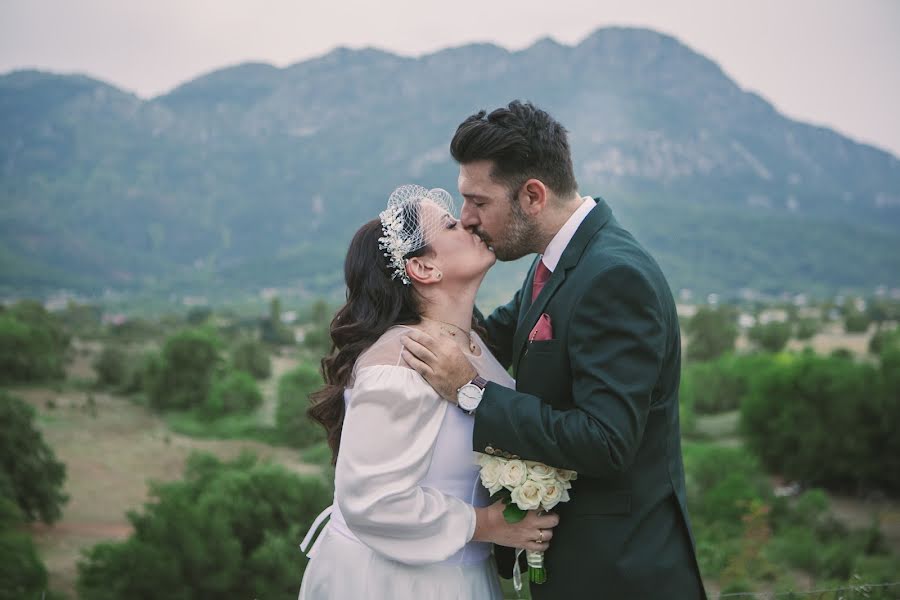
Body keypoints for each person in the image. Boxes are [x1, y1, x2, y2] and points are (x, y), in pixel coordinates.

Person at [401, 102, 708, 599]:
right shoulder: (556, 261)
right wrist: (392, 321)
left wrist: (472, 392)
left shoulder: (613, 276)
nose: (467, 218)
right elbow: (490, 335)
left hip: (621, 573)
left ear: (533, 196)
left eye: (479, 202)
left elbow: (606, 440)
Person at [298, 185, 559, 599]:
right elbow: (372, 501)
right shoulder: (402, 363)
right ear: (423, 268)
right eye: (452, 224)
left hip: (460, 576)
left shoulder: (476, 345)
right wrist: (486, 525)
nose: (470, 223)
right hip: (394, 583)